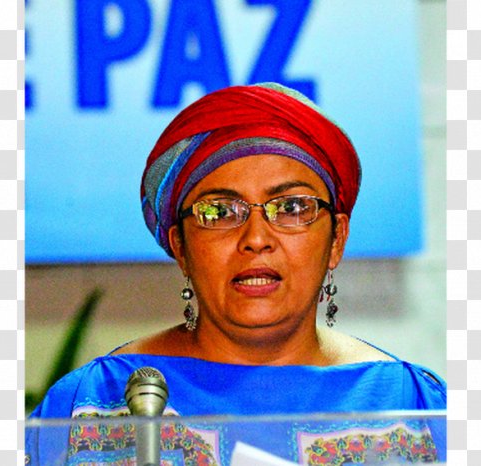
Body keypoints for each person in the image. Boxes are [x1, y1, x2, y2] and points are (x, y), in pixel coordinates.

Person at [26, 83, 446, 465]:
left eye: (293, 208)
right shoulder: (94, 402)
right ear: (180, 247)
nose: (257, 238)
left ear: (336, 240)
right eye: (220, 212)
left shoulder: (414, 404)